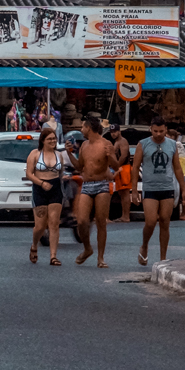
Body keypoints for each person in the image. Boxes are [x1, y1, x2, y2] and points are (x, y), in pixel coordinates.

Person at [65, 113, 121, 268]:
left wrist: (111, 156)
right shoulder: (84, 145)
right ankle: (87, 248)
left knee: (101, 222)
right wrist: (69, 153)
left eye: (83, 126)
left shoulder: (106, 144)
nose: (81, 129)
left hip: (102, 184)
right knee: (82, 221)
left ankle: (101, 258)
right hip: (87, 184)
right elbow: (79, 167)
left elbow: (116, 167)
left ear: (89, 128)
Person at [132, 116, 185, 266]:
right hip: (150, 188)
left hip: (167, 187)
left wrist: (184, 190)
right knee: (150, 222)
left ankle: (163, 259)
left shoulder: (172, 145)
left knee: (165, 221)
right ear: (151, 129)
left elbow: (177, 167)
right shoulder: (143, 144)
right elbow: (135, 167)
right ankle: (144, 246)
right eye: (155, 131)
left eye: (161, 131)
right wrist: (133, 191)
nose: (158, 134)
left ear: (166, 130)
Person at [25, 127, 64, 265]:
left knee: (54, 224)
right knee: (40, 226)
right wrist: (41, 183)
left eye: (54, 139)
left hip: (55, 189)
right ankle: (34, 245)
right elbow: (29, 174)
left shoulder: (59, 155)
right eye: (50, 139)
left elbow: (61, 173)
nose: (53, 141)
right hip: (40, 189)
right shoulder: (35, 154)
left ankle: (53, 256)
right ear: (43, 140)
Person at [167, 128, 185, 220]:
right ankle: (184, 212)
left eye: (167, 136)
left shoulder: (175, 144)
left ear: (172, 137)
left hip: (184, 168)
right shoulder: (177, 144)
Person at [106, 124, 132, 222]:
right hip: (119, 168)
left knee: (125, 192)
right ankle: (123, 215)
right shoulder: (116, 142)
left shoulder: (123, 141)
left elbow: (123, 156)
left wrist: (116, 167)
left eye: (115, 132)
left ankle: (126, 216)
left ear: (119, 131)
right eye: (112, 132)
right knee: (121, 192)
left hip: (123, 168)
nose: (113, 134)